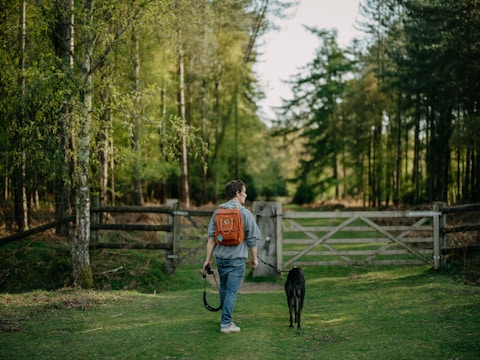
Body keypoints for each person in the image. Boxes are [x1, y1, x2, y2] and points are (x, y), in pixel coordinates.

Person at [203, 179, 260, 334]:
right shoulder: (245, 213)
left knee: (224, 288)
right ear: (237, 193)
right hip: (237, 259)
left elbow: (211, 238)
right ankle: (226, 323)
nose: (246, 195)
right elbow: (253, 239)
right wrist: (254, 259)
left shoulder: (218, 212)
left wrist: (207, 260)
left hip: (221, 258)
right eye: (244, 192)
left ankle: (225, 319)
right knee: (231, 292)